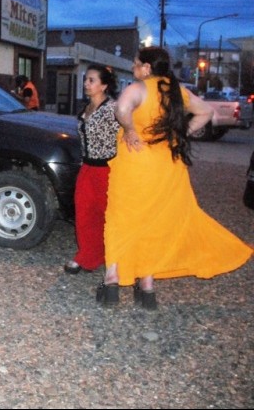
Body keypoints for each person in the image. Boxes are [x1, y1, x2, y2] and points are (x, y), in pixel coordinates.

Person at [98, 46, 252, 310]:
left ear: (147, 68)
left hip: (135, 163)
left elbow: (122, 108)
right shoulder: (178, 92)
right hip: (166, 165)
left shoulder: (139, 88)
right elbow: (207, 113)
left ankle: (112, 280)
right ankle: (146, 286)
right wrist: (180, 135)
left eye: (136, 64)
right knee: (153, 222)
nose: (134, 69)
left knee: (121, 218)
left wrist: (131, 129)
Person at [63, 65, 119, 275]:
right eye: (86, 79)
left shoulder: (113, 108)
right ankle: (87, 256)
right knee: (84, 213)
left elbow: (128, 128)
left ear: (104, 85)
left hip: (107, 169)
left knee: (108, 215)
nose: (86, 83)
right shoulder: (86, 108)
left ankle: (113, 257)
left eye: (92, 80)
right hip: (87, 167)